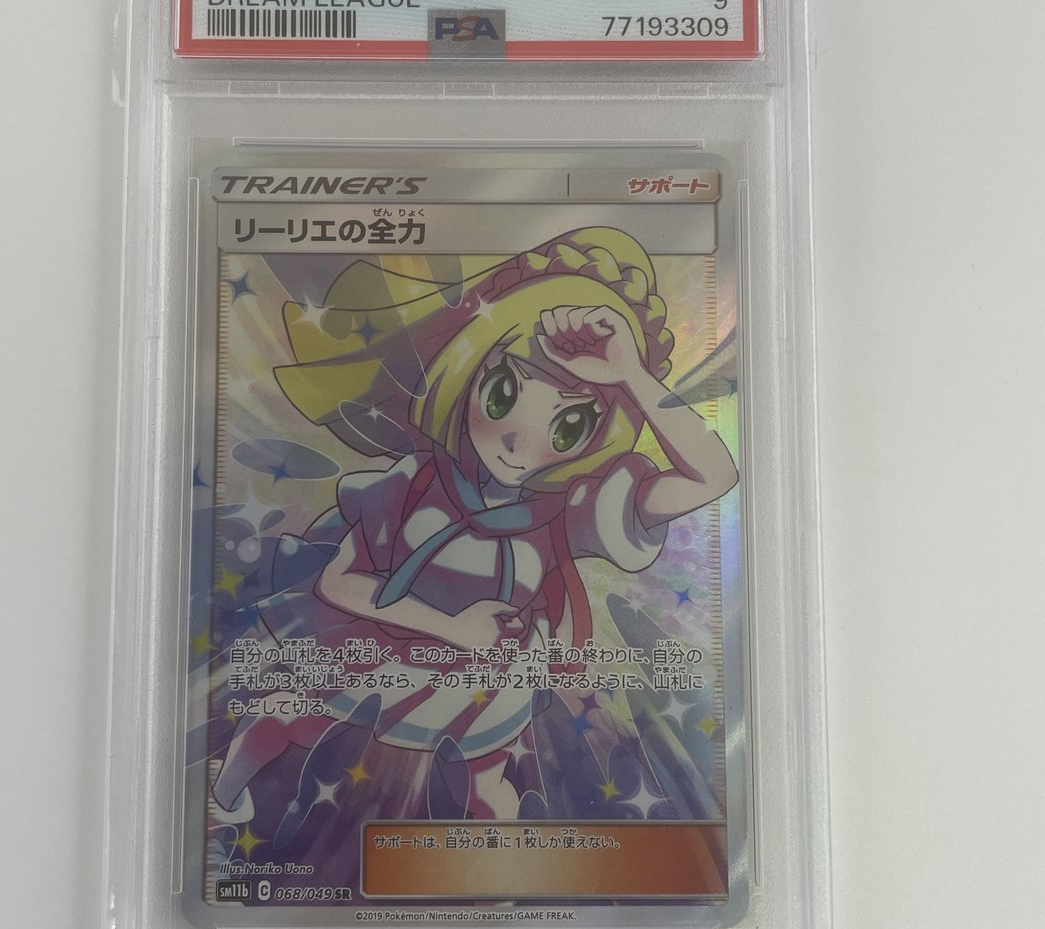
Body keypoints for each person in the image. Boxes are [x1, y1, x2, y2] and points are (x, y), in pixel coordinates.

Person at [210, 227, 738, 828]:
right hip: (385, 645)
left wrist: (631, 376)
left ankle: (508, 869)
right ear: (467, 374)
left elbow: (715, 476)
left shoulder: (571, 510)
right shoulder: (413, 483)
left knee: (486, 787)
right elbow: (339, 583)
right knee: (287, 718)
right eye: (503, 392)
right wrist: (453, 626)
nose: (518, 442)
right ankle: (221, 804)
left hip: (479, 680)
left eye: (568, 425)